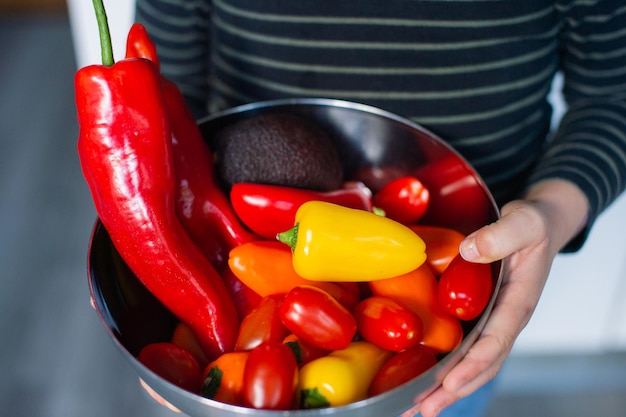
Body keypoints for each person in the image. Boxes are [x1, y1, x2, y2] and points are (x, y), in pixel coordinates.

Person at [134, 1, 626, 416]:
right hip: (237, 258)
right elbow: (168, 100)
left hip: (474, 287)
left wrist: (549, 213)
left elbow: (613, 94)